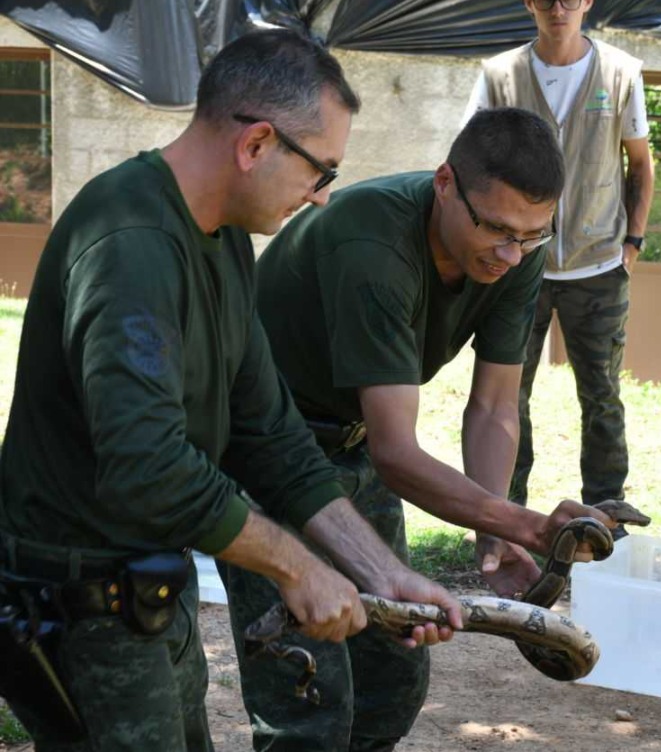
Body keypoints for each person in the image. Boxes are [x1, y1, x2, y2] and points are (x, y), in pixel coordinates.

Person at [0, 29, 461, 752]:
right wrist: (296, 566)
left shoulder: (224, 237)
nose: (321, 198)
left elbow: (268, 433)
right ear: (256, 144)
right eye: (320, 171)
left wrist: (382, 572)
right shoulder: (132, 243)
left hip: (148, 587)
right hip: (77, 604)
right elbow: (148, 467)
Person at [221, 106, 620, 751]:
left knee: (395, 675)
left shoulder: (515, 252)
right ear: (444, 184)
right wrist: (528, 524)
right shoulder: (374, 244)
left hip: (348, 441)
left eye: (532, 235)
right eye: (497, 229)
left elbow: (494, 406)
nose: (511, 253)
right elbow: (397, 452)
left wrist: (495, 531)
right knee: (309, 698)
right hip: (263, 451)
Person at [461, 0, 655, 511]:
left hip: (598, 264)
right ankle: (507, 512)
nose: (558, 10)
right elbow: (469, 159)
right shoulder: (500, 75)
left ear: (589, 0)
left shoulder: (620, 73)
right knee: (506, 393)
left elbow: (640, 165)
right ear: (528, 2)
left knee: (602, 396)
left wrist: (632, 243)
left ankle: (607, 513)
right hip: (517, 263)